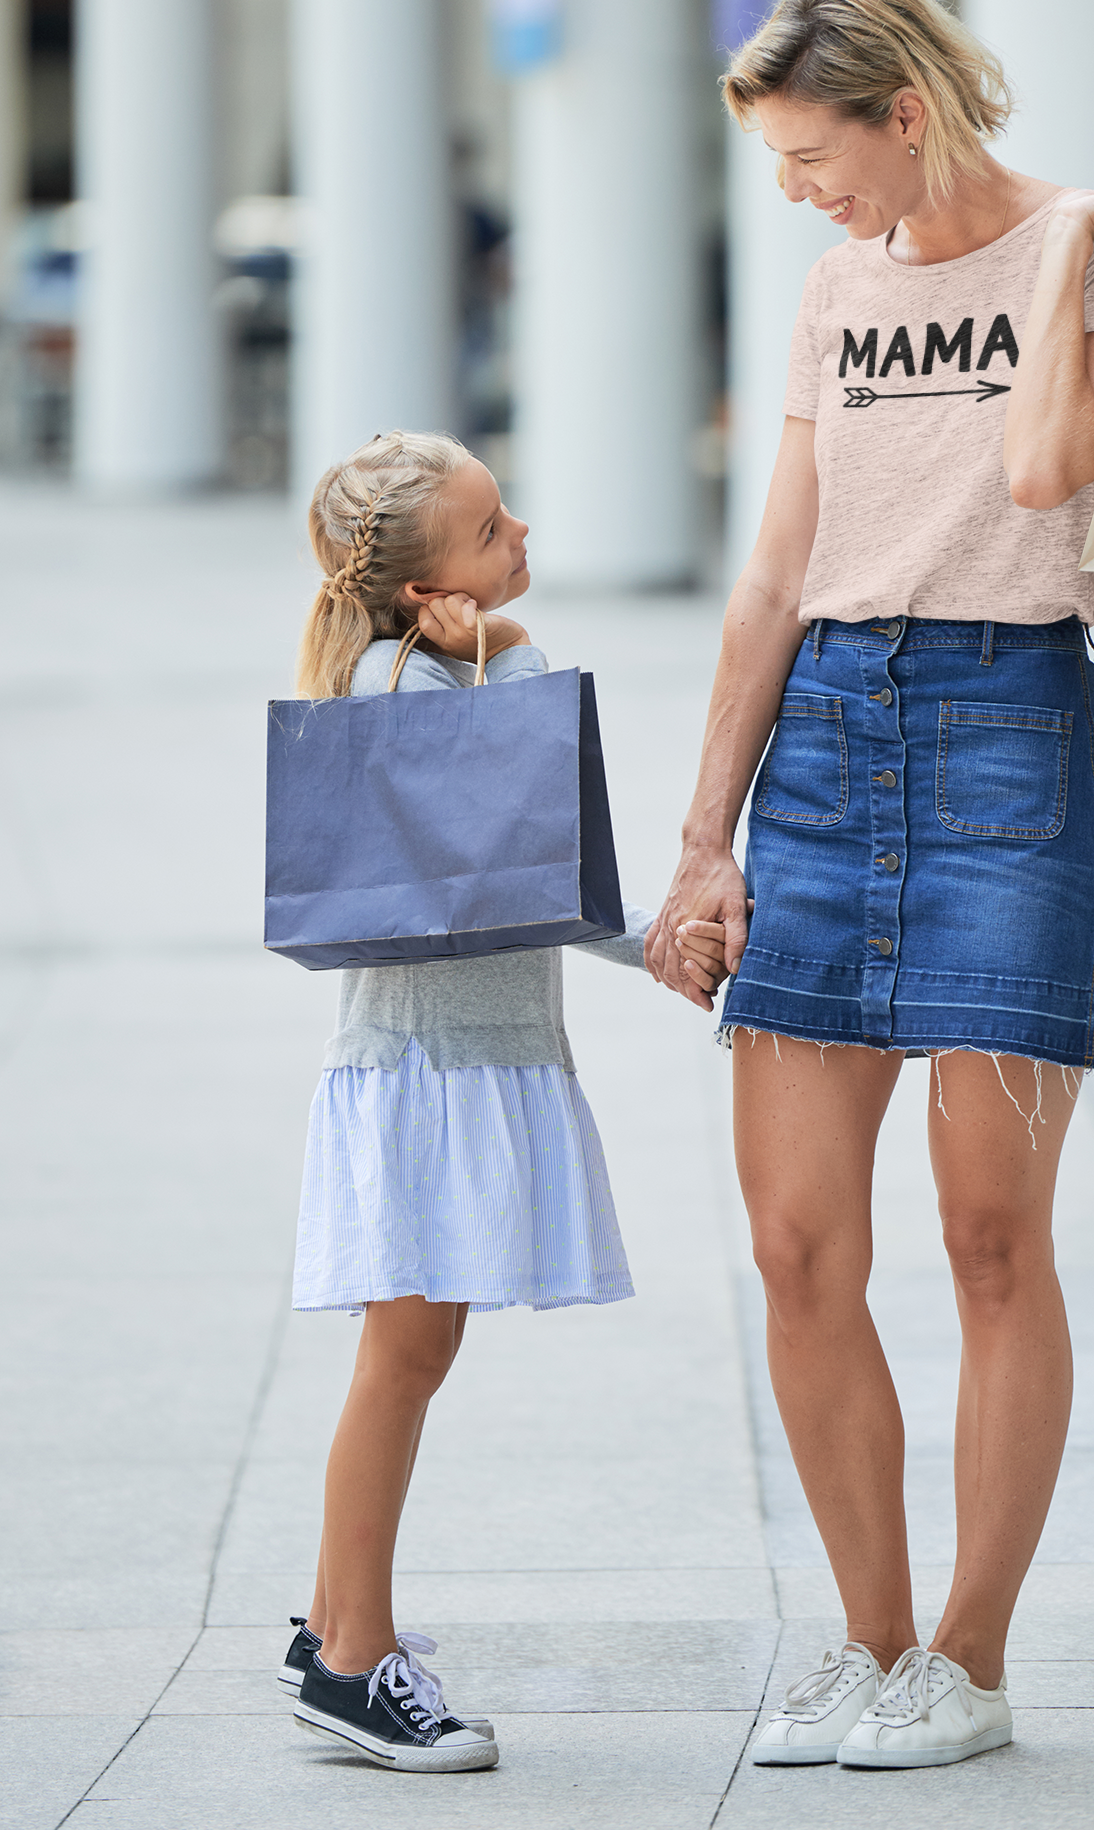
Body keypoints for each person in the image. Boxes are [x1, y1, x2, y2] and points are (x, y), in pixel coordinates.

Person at [647, 0, 1094, 1772]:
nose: (803, 191)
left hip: (1004, 732)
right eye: (780, 164)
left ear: (908, 113)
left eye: (817, 155)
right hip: (822, 751)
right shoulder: (830, 287)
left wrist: (1053, 257)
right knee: (798, 1244)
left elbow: (1046, 475)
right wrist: (705, 838)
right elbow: (773, 575)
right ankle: (868, 1644)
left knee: (987, 1237)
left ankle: (968, 1656)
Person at [279, 430, 725, 1772]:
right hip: (436, 1070)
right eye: (490, 532)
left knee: (403, 1359)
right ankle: (352, 1665)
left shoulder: (399, 669)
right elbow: (526, 851)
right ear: (427, 593)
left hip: (438, 1063)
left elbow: (524, 875)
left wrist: (655, 941)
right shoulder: (430, 679)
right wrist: (506, 646)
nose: (518, 534)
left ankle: (335, 1622)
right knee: (403, 1362)